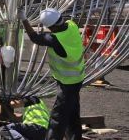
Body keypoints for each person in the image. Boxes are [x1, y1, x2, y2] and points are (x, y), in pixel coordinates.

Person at [20, 9, 85, 140]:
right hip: (78, 77)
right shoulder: (71, 25)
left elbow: (34, 37)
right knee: (72, 114)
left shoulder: (56, 39)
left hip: (68, 82)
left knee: (58, 117)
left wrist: (24, 19)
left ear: (52, 27)